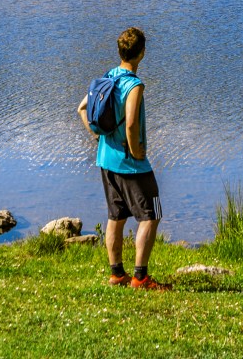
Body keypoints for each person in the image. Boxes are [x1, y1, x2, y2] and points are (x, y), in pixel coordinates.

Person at [78, 27, 169, 291]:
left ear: (120, 52)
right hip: (132, 165)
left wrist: (98, 138)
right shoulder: (134, 85)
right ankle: (140, 278)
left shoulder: (108, 77)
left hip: (106, 161)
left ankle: (117, 273)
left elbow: (82, 108)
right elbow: (130, 124)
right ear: (141, 53)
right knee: (151, 215)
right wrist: (136, 150)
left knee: (115, 217)